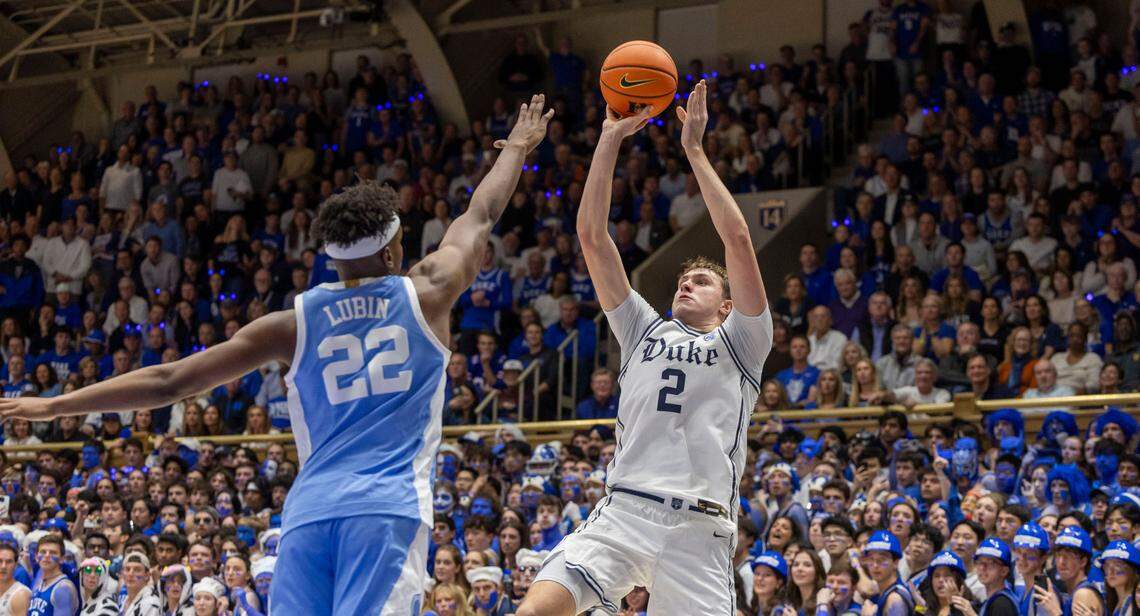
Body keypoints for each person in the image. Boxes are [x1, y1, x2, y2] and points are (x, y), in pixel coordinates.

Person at [0, 95, 554, 614]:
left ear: (332, 259)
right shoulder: (430, 289)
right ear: (393, 248)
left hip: (309, 513)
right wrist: (516, 149)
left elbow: (170, 380)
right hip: (385, 508)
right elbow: (480, 214)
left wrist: (53, 407)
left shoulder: (291, 324)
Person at [519, 81, 772, 616]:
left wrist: (696, 152)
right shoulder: (643, 330)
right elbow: (592, 236)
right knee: (536, 611)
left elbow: (739, 239)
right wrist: (609, 138)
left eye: (702, 282)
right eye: (683, 279)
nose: (686, 284)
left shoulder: (745, 342)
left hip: (699, 530)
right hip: (625, 511)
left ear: (727, 306)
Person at [27, 534, 78, 616]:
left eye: (53, 553)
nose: (47, 556)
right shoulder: (38, 581)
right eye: (43, 552)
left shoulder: (63, 588)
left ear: (62, 559)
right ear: (36, 557)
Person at [0, 543, 29, 615]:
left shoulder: (21, 594)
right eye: (0, 561)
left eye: (9, 562)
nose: (3, 566)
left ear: (16, 565)